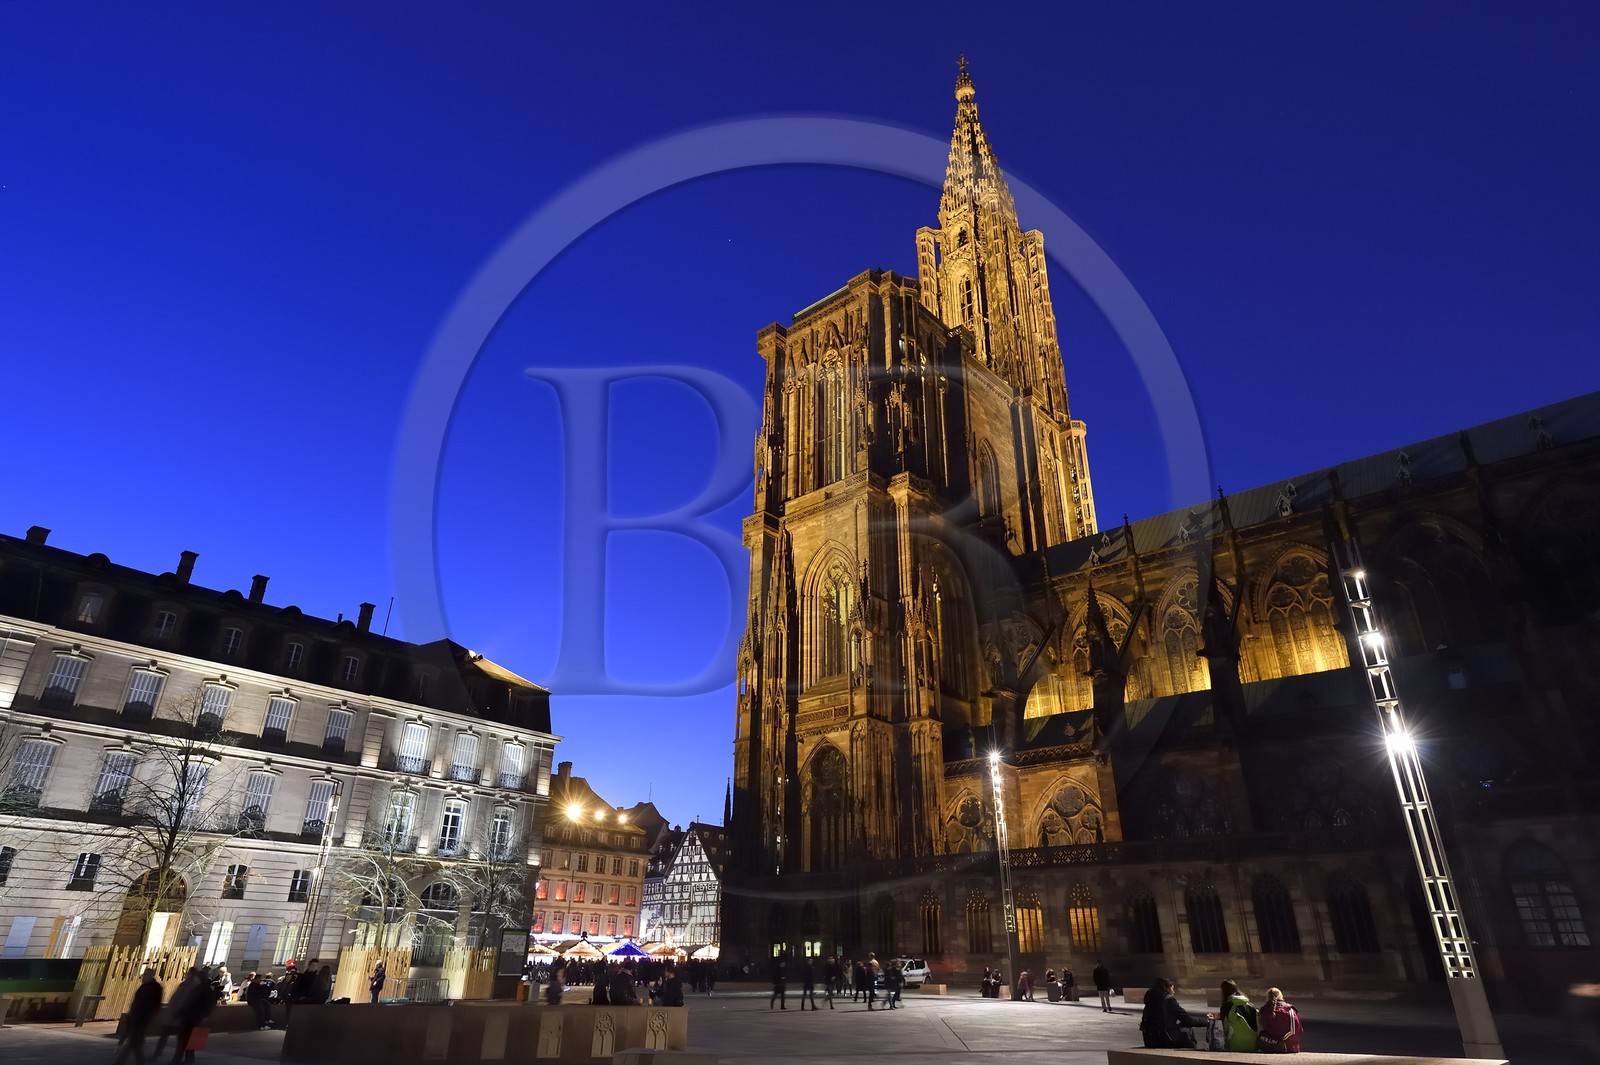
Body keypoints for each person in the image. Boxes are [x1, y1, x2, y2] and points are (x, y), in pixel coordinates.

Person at [113, 968, 164, 1065]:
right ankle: (139, 1059)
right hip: (136, 1016)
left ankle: (122, 1061)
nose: (143, 977)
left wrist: (149, 1016)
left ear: (150, 976)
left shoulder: (155, 988)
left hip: (143, 1018)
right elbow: (136, 1002)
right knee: (136, 1041)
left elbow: (155, 1005)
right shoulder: (143, 987)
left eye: (145, 975)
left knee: (133, 1040)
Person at [1139, 978, 1206, 1049]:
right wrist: (1206, 1021)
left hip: (1150, 1041)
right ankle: (1191, 1053)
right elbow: (1187, 1019)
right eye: (1172, 988)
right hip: (1165, 1040)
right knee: (1188, 1028)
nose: (1173, 992)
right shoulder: (1168, 1001)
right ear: (1167, 988)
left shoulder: (1149, 1001)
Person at [168, 967, 215, 1064]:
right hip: (192, 1018)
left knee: (186, 1042)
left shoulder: (203, 990)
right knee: (187, 1042)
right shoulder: (200, 989)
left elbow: (192, 1004)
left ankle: (179, 1060)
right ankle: (186, 1060)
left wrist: (204, 1017)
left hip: (193, 1019)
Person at [1210, 979, 1259, 1052]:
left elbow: (1224, 1029)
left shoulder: (1226, 1007)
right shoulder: (1251, 1006)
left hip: (1236, 1045)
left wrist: (1216, 1019)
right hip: (1253, 1044)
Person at [1256, 987, 1304, 1053]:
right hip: (1288, 1048)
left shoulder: (1263, 1011)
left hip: (1268, 1046)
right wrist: (1280, 1042)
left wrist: (1273, 1041)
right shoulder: (1289, 1010)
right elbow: (1296, 1031)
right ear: (1281, 996)